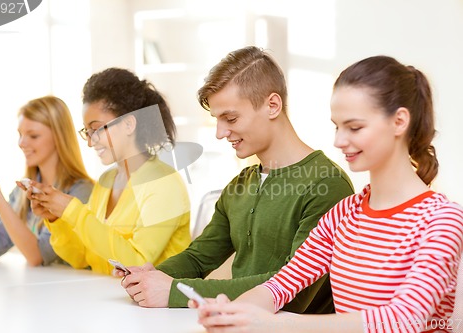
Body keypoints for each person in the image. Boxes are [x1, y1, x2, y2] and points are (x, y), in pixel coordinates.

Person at [195, 55, 463, 333]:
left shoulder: (442, 221)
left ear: (399, 122)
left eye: (354, 127)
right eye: (337, 126)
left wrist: (274, 325)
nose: (338, 141)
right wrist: (235, 312)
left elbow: (405, 318)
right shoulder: (344, 214)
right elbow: (281, 285)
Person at [119, 46, 355, 313]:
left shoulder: (327, 186)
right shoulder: (240, 185)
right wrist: (151, 277)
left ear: (272, 105)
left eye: (230, 118)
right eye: (217, 120)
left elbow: (290, 291)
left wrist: (173, 292)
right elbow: (198, 258)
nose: (220, 133)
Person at [26, 68, 191, 275]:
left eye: (97, 129)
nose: (89, 141)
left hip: (154, 306)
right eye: (87, 131)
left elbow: (137, 264)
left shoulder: (164, 184)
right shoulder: (107, 180)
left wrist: (73, 210)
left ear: (129, 124)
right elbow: (81, 258)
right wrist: (56, 219)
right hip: (109, 300)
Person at [0, 96, 93, 266]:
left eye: (33, 136)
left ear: (59, 137)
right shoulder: (22, 191)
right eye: (20, 134)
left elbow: (38, 256)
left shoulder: (81, 191)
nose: (21, 143)